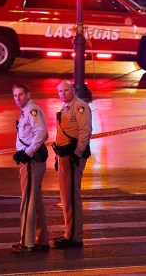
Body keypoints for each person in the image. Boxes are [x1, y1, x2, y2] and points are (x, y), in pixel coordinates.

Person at [51, 80, 91, 249]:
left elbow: (85, 131)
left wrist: (77, 154)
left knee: (72, 197)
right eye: (60, 91)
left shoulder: (79, 106)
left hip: (72, 156)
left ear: (73, 90)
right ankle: (69, 232)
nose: (63, 93)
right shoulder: (65, 107)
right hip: (64, 157)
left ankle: (74, 236)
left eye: (66, 90)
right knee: (66, 196)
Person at [11, 83, 50, 253]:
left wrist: (27, 153)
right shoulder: (27, 110)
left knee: (27, 201)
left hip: (32, 161)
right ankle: (41, 239)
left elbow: (42, 133)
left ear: (28, 94)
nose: (17, 98)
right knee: (36, 201)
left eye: (20, 94)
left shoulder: (31, 110)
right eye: (14, 95)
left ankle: (27, 242)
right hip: (33, 159)